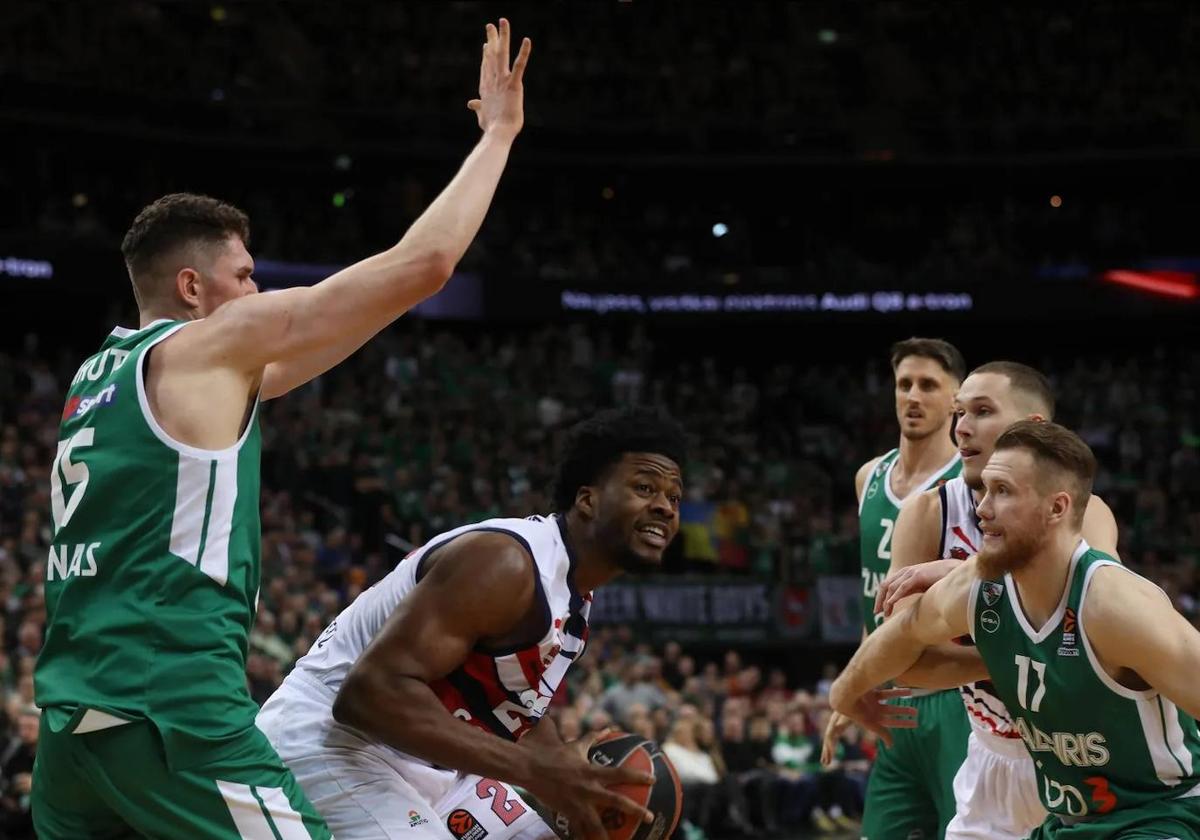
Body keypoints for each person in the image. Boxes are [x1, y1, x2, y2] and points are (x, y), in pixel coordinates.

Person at [32, 17, 532, 839]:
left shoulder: (104, 376)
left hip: (74, 728)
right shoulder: (207, 349)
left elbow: (355, 323)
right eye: (245, 275)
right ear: (193, 289)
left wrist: (377, 306)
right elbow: (424, 267)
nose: (258, 287)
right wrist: (499, 137)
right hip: (171, 711)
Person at [256, 408, 686, 840]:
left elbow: (512, 713)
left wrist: (568, 773)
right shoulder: (506, 563)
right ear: (588, 500)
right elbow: (368, 696)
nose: (665, 508)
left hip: (430, 762)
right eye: (645, 487)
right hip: (334, 740)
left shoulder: (573, 597)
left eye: (674, 497)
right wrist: (537, 772)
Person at [831, 421, 1200, 839]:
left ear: (1057, 508)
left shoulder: (1116, 606)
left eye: (1003, 492)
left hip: (1163, 814)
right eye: (985, 489)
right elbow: (902, 639)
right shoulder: (977, 588)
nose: (982, 508)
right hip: (1067, 822)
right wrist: (845, 691)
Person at [873, 362, 1121, 840]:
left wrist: (959, 581)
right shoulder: (927, 512)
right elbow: (904, 661)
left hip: (1081, 752)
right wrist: (1009, 656)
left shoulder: (1082, 512)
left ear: (1034, 430)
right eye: (960, 412)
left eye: (982, 412)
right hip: (990, 756)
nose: (961, 428)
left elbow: (1093, 636)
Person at [822, 337, 969, 840]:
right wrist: (858, 683)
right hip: (894, 696)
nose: (913, 396)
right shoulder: (870, 476)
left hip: (955, 696)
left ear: (956, 400)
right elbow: (873, 603)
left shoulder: (968, 479)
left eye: (929, 385)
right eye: (904, 384)